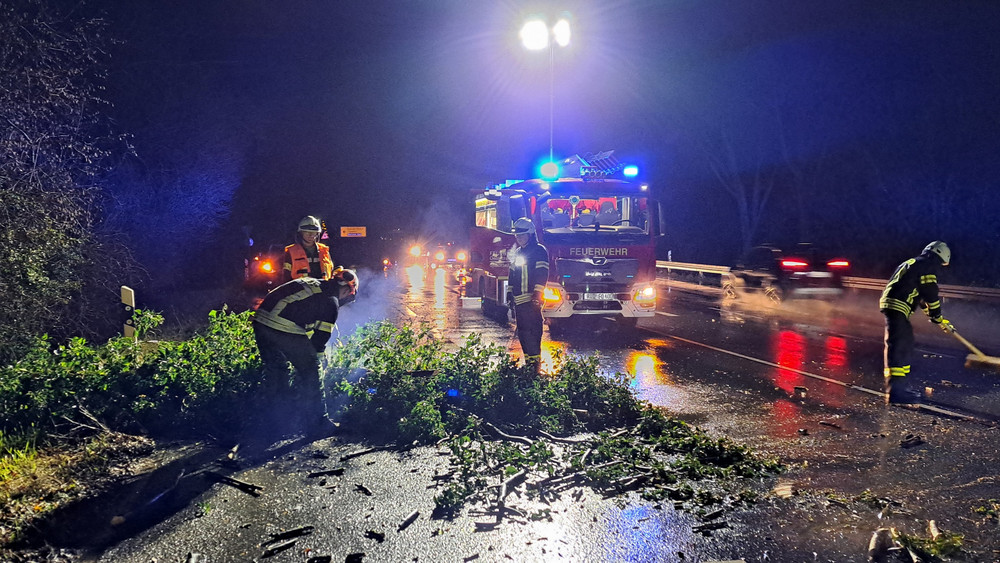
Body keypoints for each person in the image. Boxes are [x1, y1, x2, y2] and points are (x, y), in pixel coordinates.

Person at [251, 269, 359, 435]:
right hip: (282, 326)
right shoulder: (331, 303)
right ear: (347, 290)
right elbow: (318, 342)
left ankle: (276, 421)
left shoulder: (313, 283)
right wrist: (320, 363)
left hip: (261, 322)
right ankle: (318, 423)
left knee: (278, 370)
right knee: (311, 370)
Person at [879, 241, 953, 404]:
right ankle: (896, 392)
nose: (939, 267)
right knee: (899, 346)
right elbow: (930, 293)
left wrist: (938, 319)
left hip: (895, 304)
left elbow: (920, 297)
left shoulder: (915, 263)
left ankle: (901, 388)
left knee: (905, 344)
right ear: (937, 256)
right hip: (898, 305)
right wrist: (936, 315)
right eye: (940, 263)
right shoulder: (926, 265)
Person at [508, 218, 549, 373]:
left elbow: (542, 274)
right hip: (519, 301)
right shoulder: (518, 252)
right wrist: (509, 294)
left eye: (522, 234)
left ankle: (534, 367)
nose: (519, 237)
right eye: (517, 235)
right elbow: (512, 274)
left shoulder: (539, 251)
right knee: (523, 333)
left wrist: (537, 296)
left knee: (533, 332)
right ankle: (529, 364)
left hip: (531, 301)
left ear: (530, 234)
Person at [283, 215, 335, 282]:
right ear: (301, 233)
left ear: (317, 234)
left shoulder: (324, 250)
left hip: (323, 289)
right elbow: (285, 276)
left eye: (314, 233)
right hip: (300, 290)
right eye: (307, 232)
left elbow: (331, 271)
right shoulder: (291, 251)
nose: (311, 235)